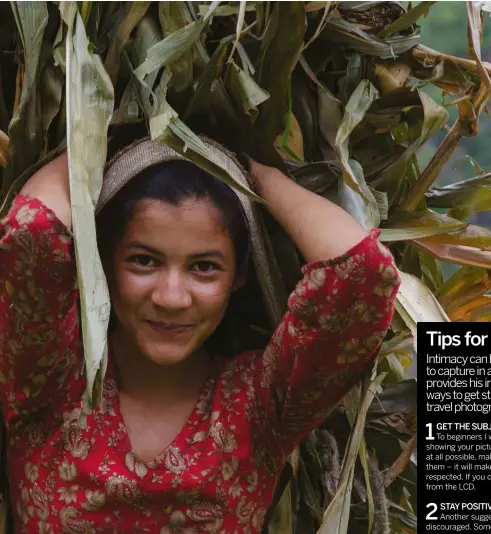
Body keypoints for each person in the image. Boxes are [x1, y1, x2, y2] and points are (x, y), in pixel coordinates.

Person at [0, 135, 401, 533]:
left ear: (238, 275)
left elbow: (362, 271)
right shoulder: (47, 381)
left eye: (204, 267)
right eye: (144, 261)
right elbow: (30, 232)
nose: (171, 297)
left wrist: (257, 173)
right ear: (102, 262)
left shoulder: (259, 407)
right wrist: (91, 143)